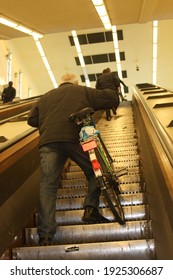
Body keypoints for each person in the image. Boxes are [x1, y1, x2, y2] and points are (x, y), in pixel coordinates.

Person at [27, 73, 119, 246]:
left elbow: (31, 119)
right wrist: (110, 83)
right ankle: (90, 210)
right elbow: (110, 98)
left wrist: (49, 121)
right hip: (76, 138)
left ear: (61, 83)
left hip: (48, 142)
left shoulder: (45, 97)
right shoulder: (82, 91)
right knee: (95, 173)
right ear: (75, 83)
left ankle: (45, 235)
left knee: (48, 186)